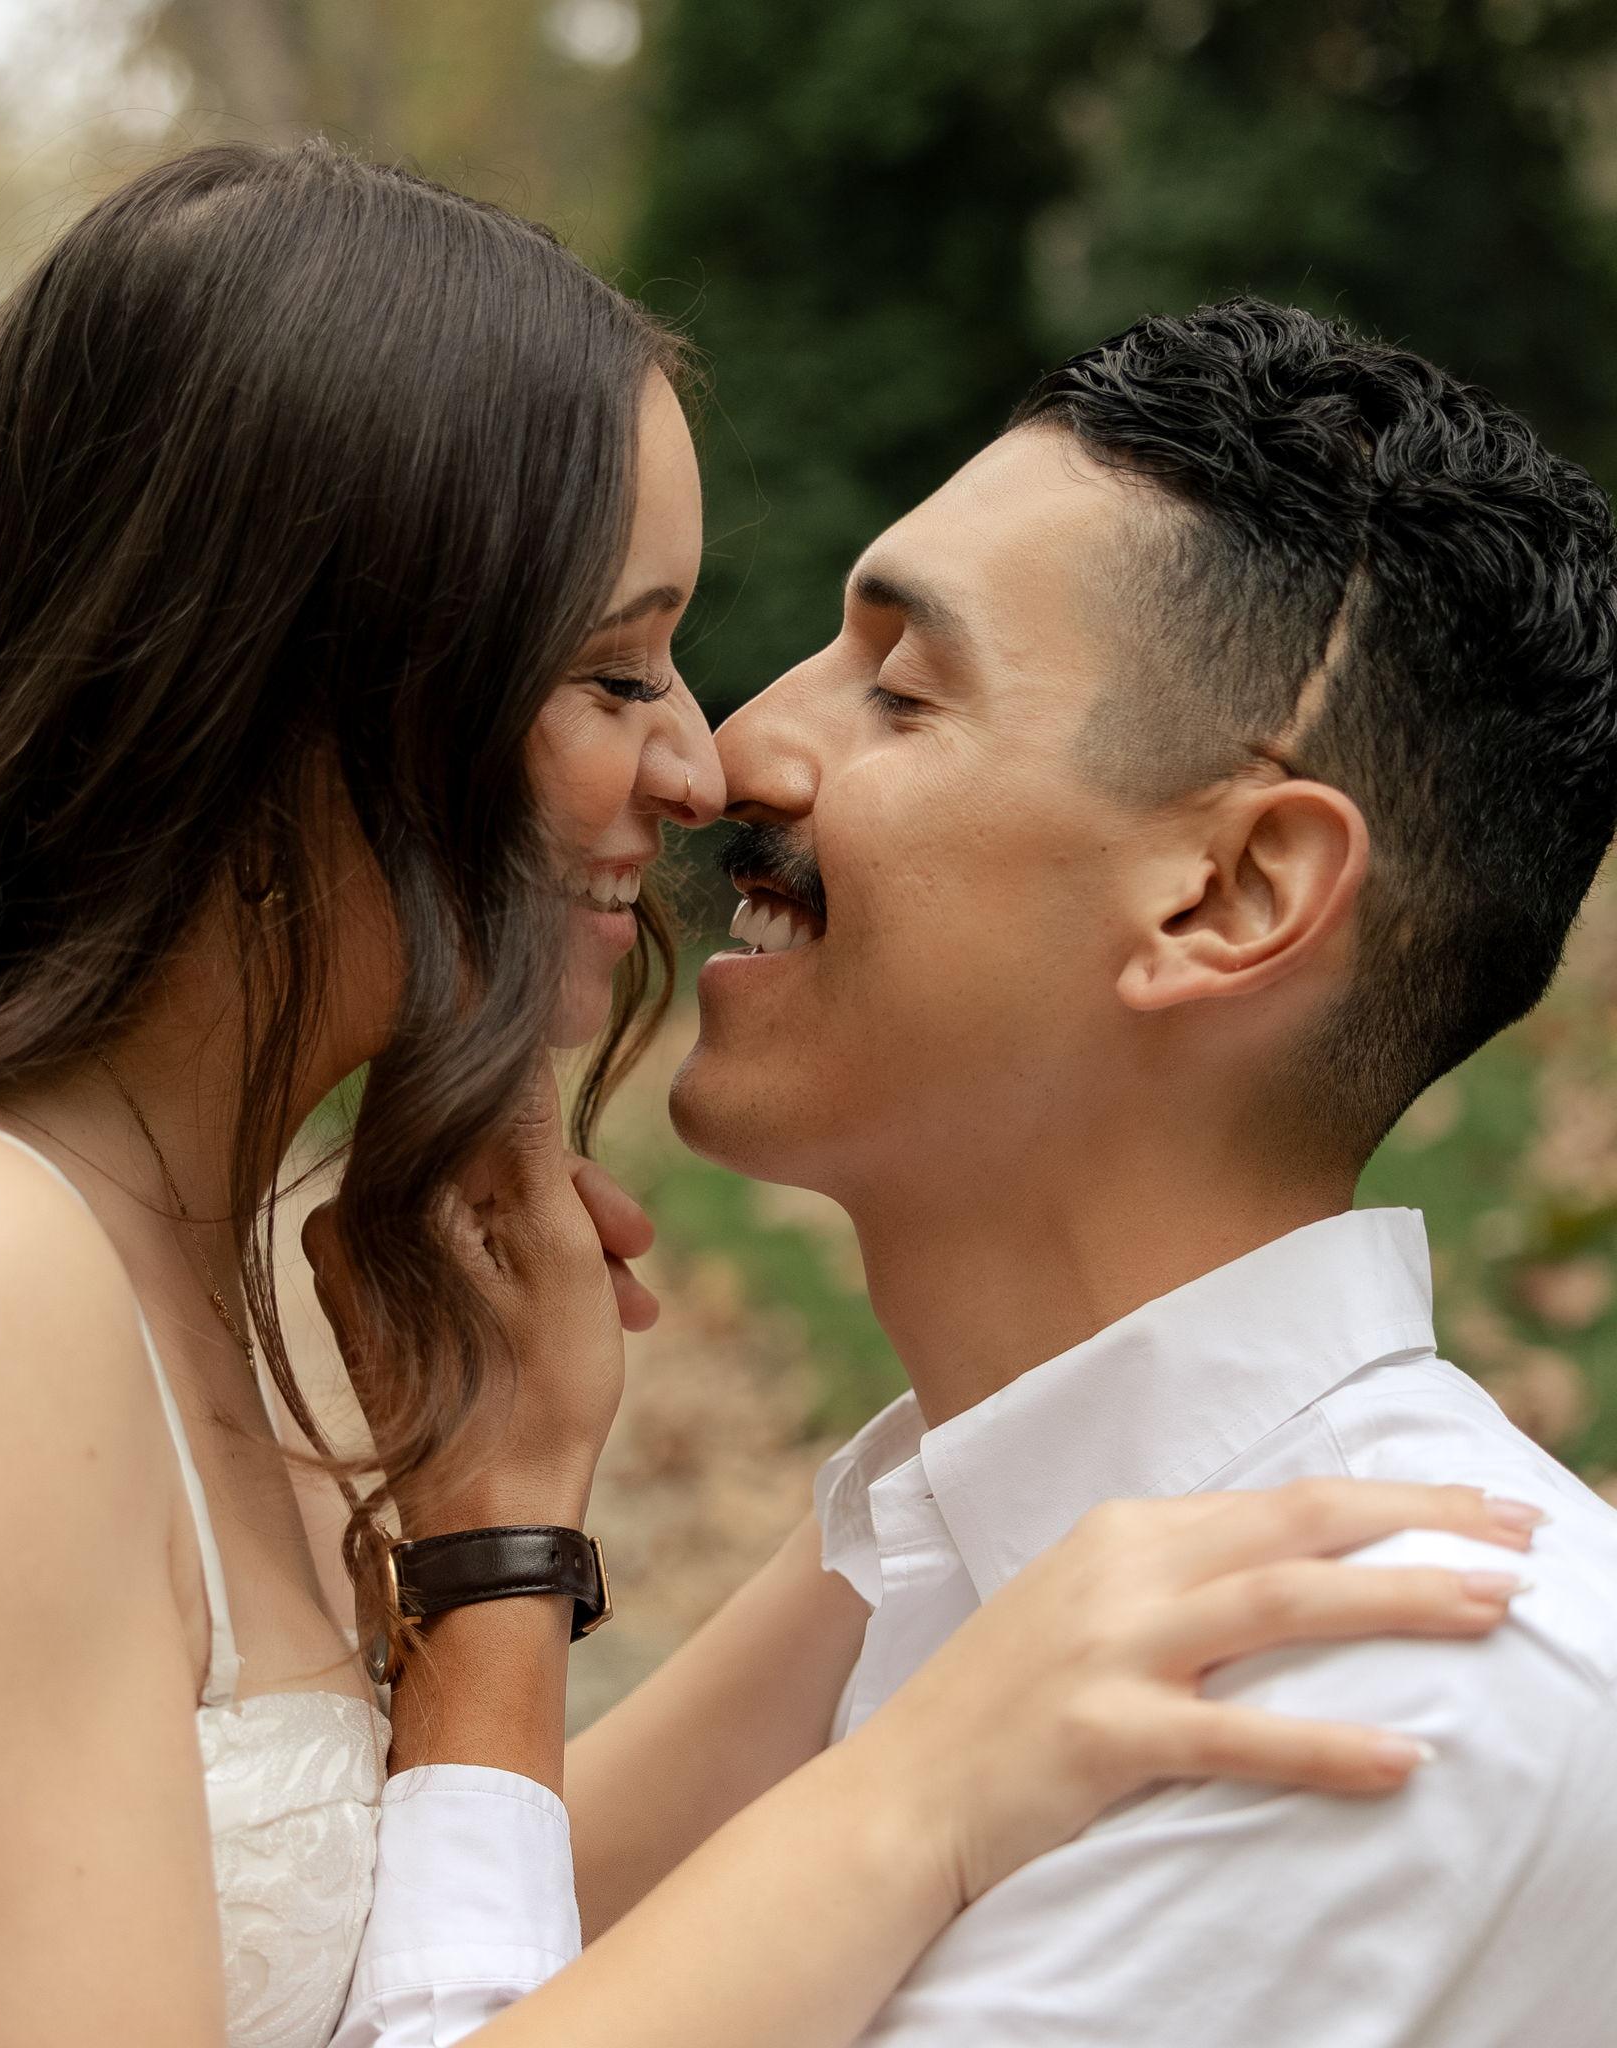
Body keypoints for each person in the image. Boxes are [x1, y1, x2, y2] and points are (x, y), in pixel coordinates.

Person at [0, 144, 1536, 2048]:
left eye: (890, 687)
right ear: (287, 693)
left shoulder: (189, 1288)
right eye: (615, 673)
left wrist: (497, 1551)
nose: (705, 764)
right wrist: (909, 1797)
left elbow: (446, 1958)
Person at [576, 300, 1617, 2045]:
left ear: (1229, 897)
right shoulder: (927, 1562)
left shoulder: (1392, 1683)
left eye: (903, 695)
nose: (733, 754)